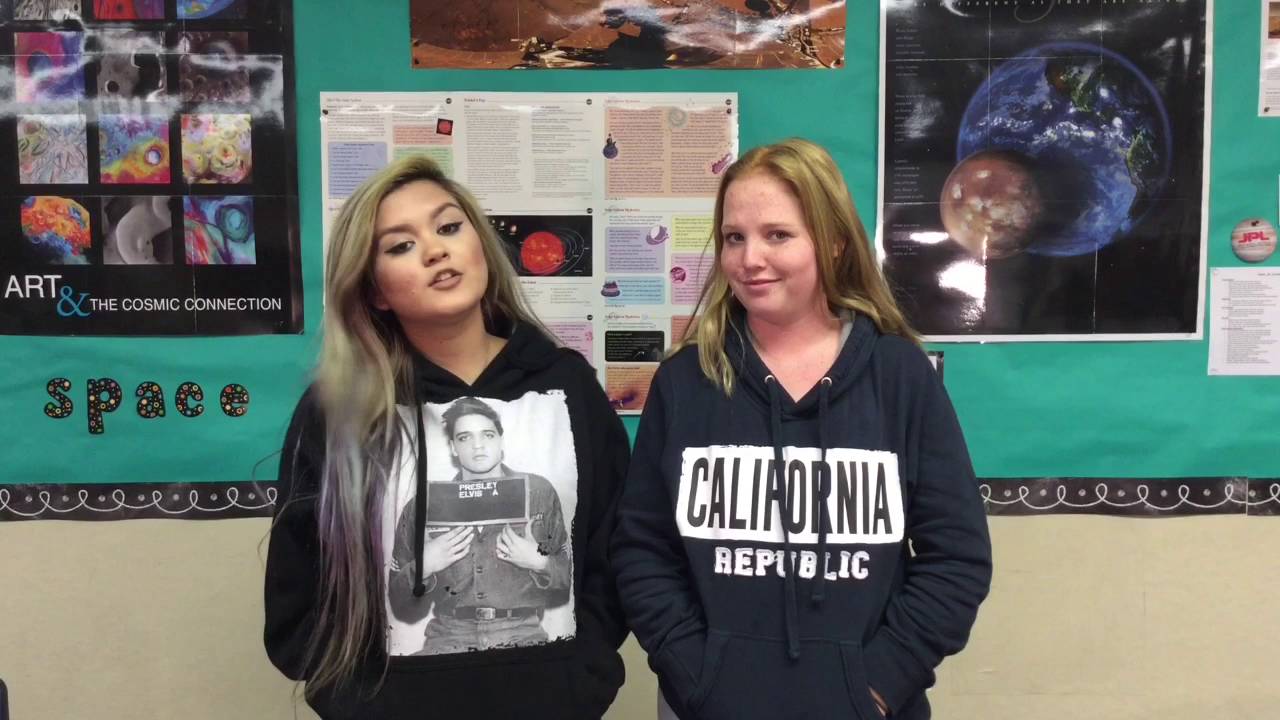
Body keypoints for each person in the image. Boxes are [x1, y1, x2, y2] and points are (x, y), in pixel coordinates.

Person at [612, 138, 992, 720]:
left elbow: (956, 557)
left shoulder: (900, 376)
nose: (750, 259)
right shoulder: (686, 380)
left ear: (834, 241)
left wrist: (876, 686)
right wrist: (696, 675)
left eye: (777, 235)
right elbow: (642, 550)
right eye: (734, 237)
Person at [264, 155, 631, 719]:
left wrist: (583, 671)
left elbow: (619, 543)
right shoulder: (339, 410)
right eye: (401, 245)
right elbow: (300, 586)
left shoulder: (567, 384)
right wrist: (355, 695)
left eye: (449, 227)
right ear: (376, 290)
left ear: (480, 243)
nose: (435, 250)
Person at [387, 395, 571, 655]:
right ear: (453, 447)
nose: (478, 446)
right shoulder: (424, 505)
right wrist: (424, 566)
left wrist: (539, 561)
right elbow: (399, 602)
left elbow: (567, 582)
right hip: (448, 637)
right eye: (465, 437)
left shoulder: (539, 492)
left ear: (501, 441)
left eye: (487, 435)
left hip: (523, 635)